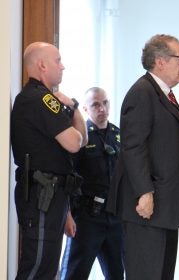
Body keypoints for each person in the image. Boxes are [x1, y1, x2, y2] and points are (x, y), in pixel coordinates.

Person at [106, 34, 179, 280]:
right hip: (147, 209)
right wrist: (145, 192)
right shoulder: (142, 93)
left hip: (165, 209)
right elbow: (133, 147)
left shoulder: (162, 94)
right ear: (160, 61)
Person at [11, 42, 87, 279]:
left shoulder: (45, 99)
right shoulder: (40, 100)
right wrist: (74, 110)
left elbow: (78, 141)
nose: (63, 66)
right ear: (42, 65)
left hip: (52, 196)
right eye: (58, 60)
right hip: (42, 196)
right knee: (37, 268)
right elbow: (75, 142)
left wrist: (74, 108)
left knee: (47, 269)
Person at [60, 87, 124, 279]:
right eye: (95, 104)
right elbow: (68, 177)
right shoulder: (80, 138)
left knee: (116, 274)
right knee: (74, 273)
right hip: (87, 219)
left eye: (105, 103)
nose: (102, 108)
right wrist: (67, 215)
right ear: (86, 109)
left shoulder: (118, 135)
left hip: (114, 218)